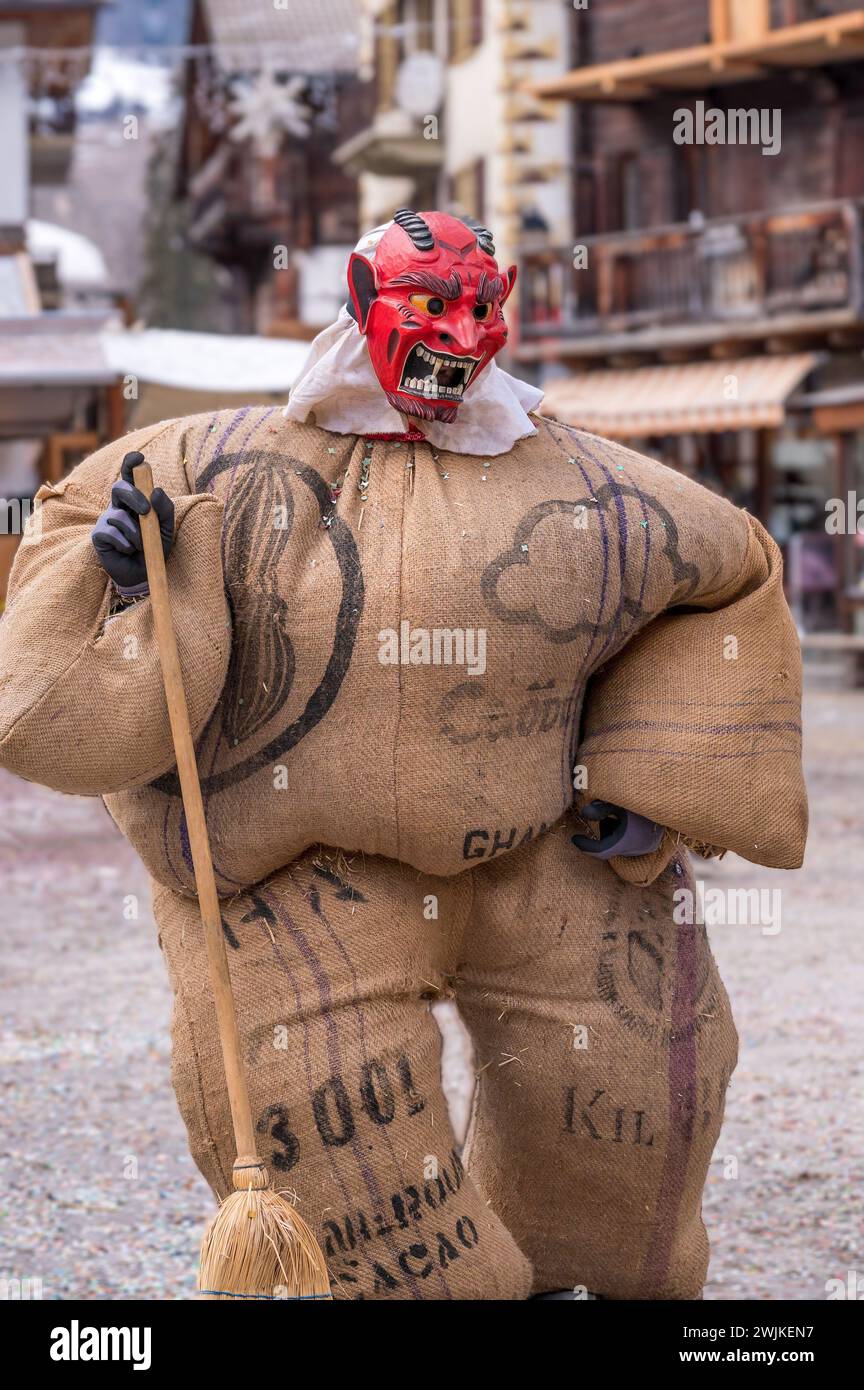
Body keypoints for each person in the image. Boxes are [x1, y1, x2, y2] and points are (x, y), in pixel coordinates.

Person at [0, 211, 807, 1299]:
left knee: (632, 1108)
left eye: (483, 305)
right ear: (359, 294)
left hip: (540, 847)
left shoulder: (581, 477)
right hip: (295, 869)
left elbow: (726, 579)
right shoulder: (222, 461)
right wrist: (137, 583)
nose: (462, 330)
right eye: (434, 303)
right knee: (327, 1122)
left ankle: (585, 1266)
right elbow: (75, 596)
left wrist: (651, 785)